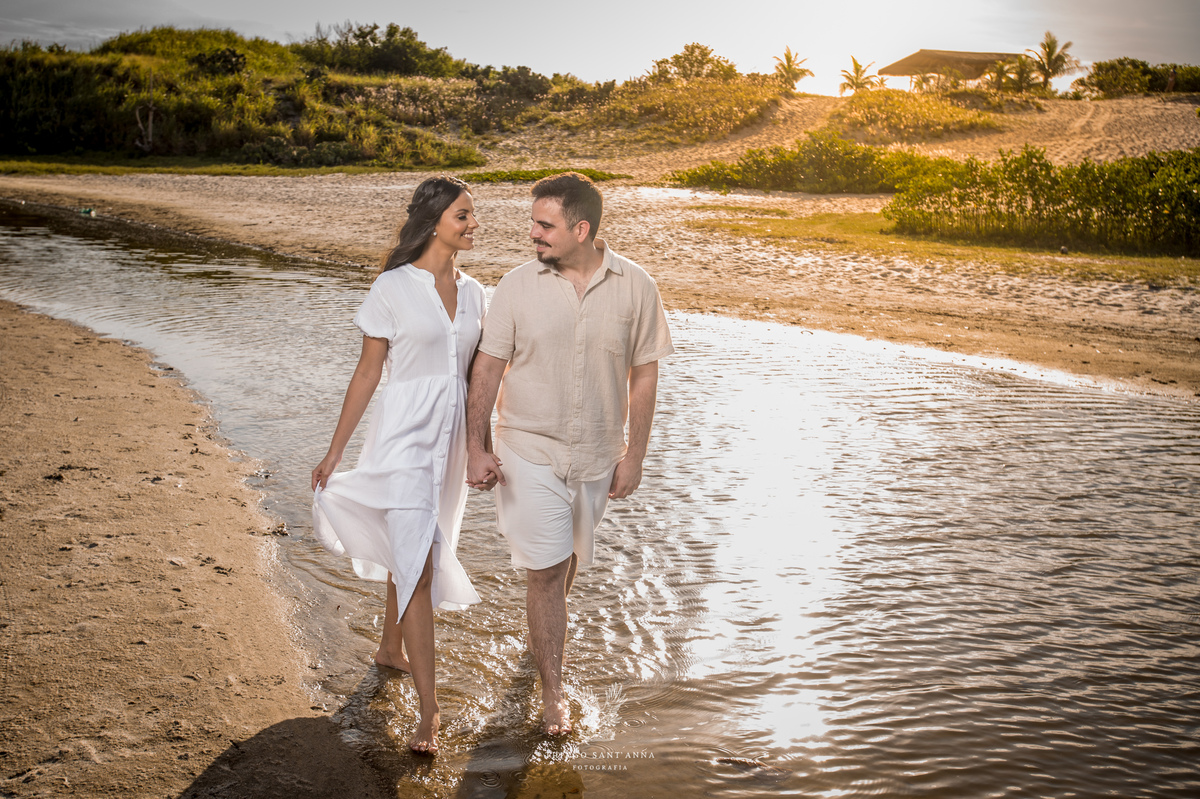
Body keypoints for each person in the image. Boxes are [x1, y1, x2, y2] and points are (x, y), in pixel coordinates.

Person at [465, 172, 673, 735]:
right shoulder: (515, 285)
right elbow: (487, 368)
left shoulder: (637, 287)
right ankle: (552, 692)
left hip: (598, 454)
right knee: (549, 568)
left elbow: (645, 377)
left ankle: (540, 637)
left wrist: (635, 455)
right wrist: (475, 446)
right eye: (534, 222)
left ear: (581, 229)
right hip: (527, 447)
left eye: (544, 224)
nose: (532, 233)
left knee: (569, 558)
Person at [311, 175, 488, 756]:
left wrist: (488, 445)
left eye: (472, 214)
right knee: (418, 565)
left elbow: (484, 378)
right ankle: (429, 715)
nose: (472, 223)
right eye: (463, 214)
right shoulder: (392, 286)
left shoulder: (479, 293)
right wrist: (336, 450)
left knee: (415, 556)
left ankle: (390, 648)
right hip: (404, 438)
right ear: (435, 219)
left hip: (452, 440)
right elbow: (367, 373)